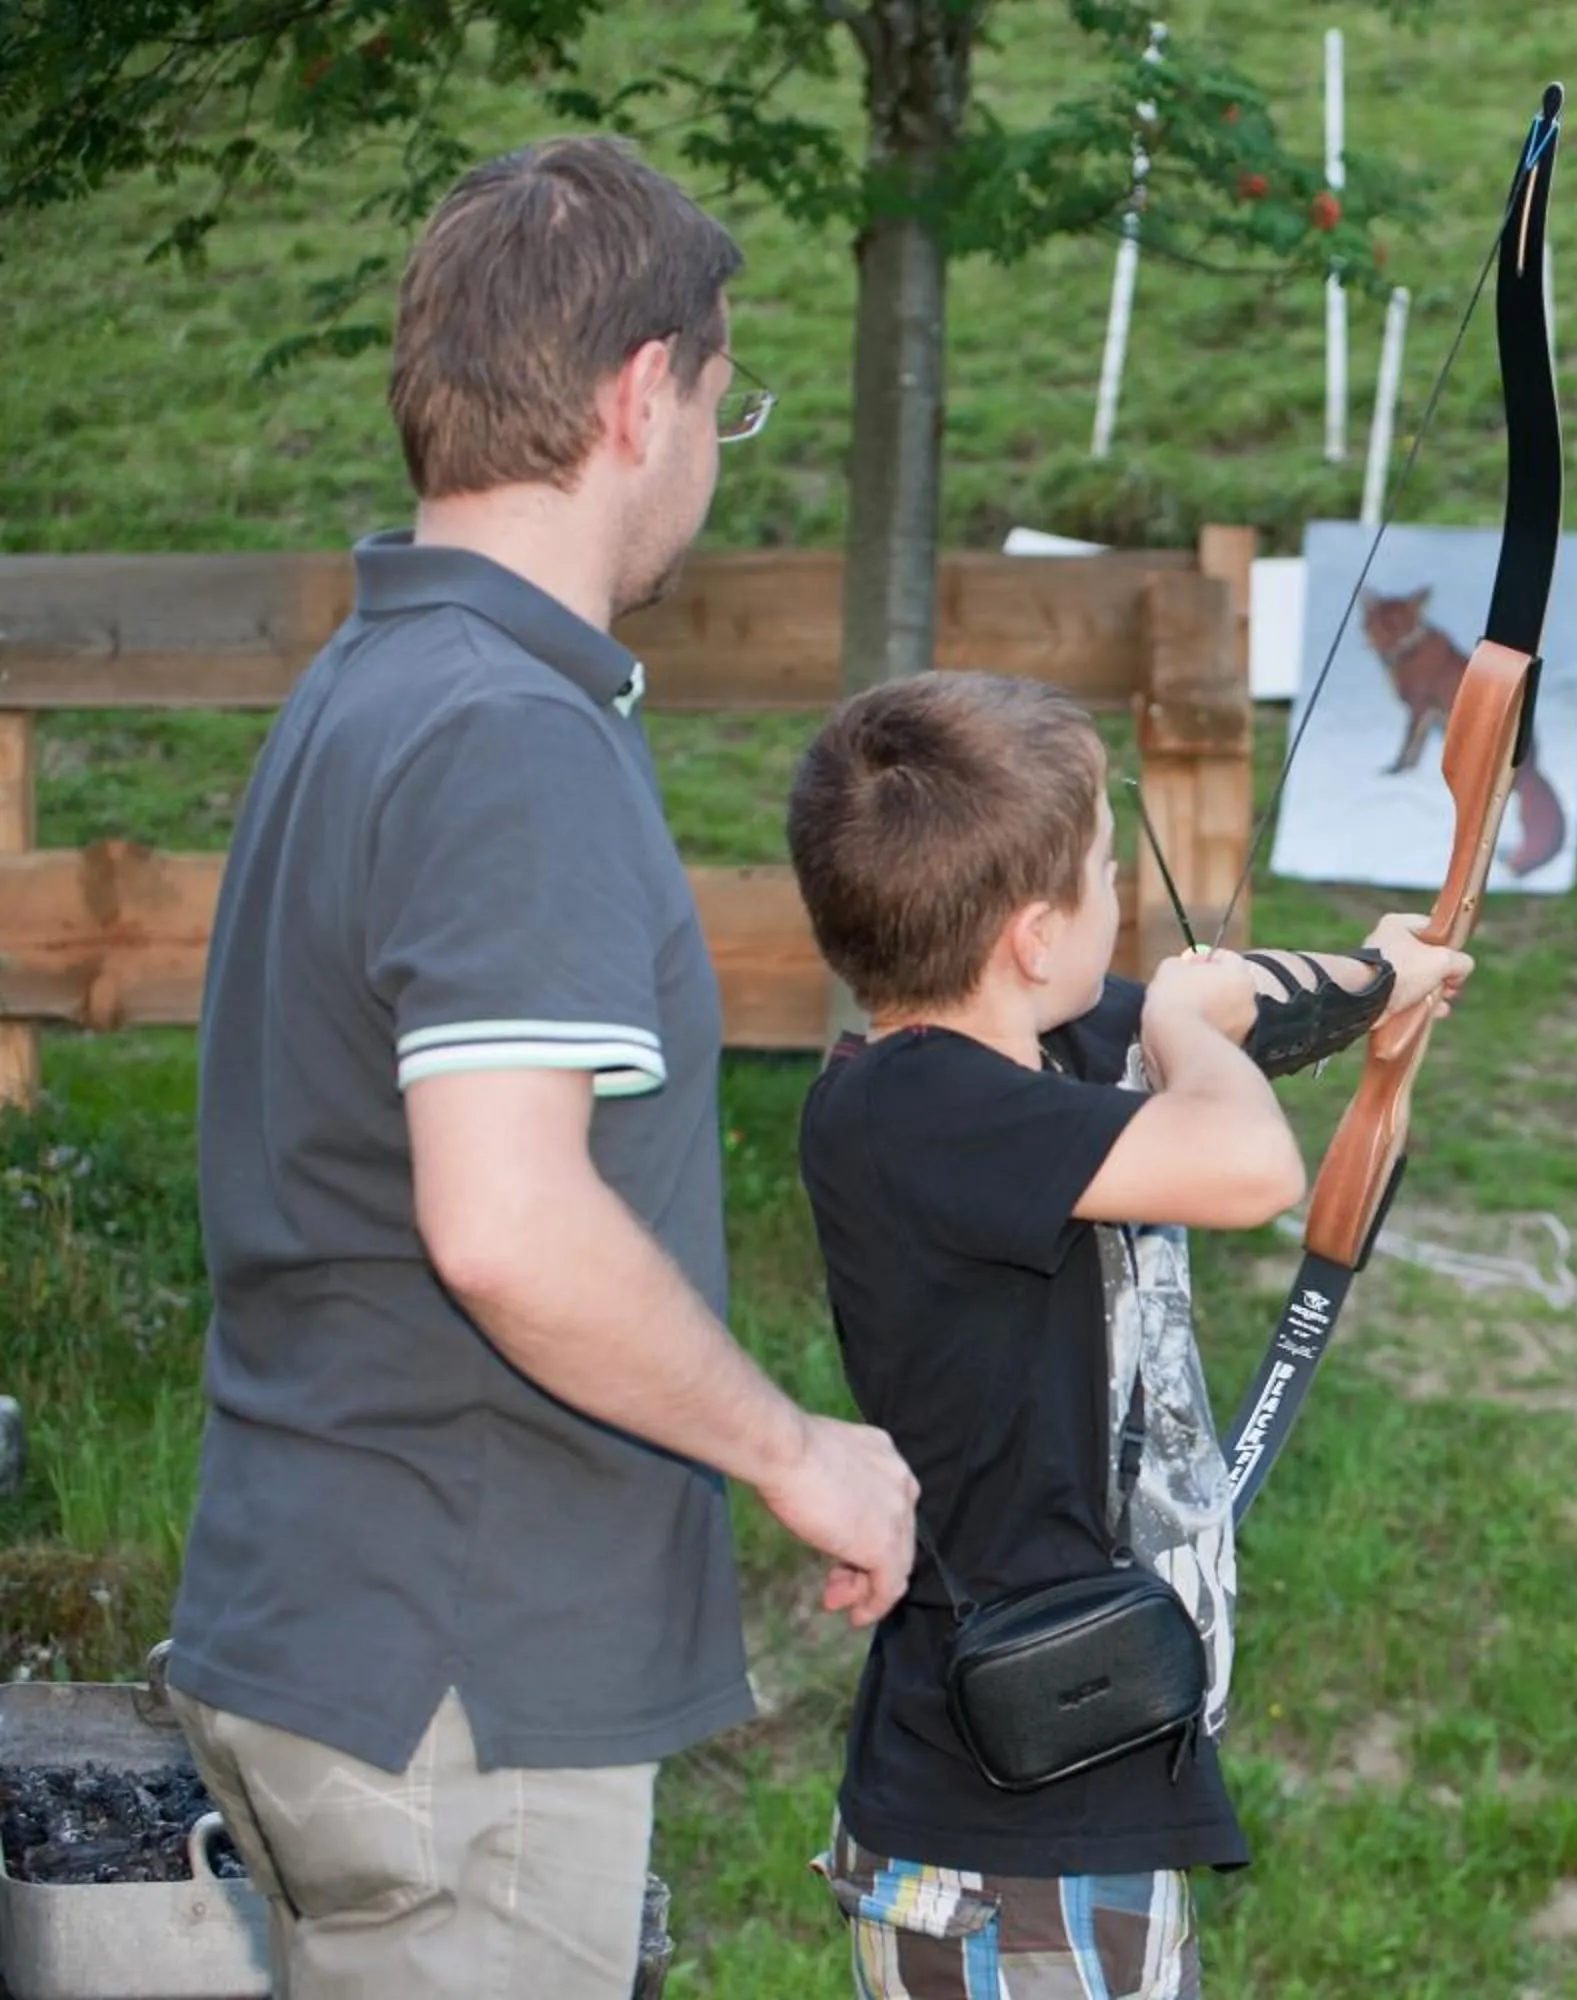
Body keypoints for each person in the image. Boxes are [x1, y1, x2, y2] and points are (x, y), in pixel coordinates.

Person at [162, 133, 920, 1997]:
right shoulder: (509, 736)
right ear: (640, 391)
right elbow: (504, 1224)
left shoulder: (370, 687)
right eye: (721, 411)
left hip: (332, 1626)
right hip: (454, 1691)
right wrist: (795, 1450)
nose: (708, 469)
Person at [782, 670, 1470, 1998]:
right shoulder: (910, 1117)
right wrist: (1180, 1020)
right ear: (1037, 937)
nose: (1123, 893)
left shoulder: (1028, 1052)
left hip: (1064, 1774)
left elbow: (1225, 1000)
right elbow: (1242, 1156)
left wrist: (1384, 975)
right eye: (1108, 866)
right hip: (1004, 1832)